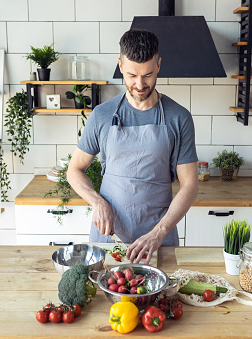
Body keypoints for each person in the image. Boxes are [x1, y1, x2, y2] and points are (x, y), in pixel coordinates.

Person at [67, 29, 198, 264]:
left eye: (147, 75)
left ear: (159, 65)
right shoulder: (102, 115)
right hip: (108, 240)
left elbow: (190, 185)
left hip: (158, 240)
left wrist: (158, 233)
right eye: (131, 75)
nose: (139, 84)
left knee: (161, 300)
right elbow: (74, 170)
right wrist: (97, 202)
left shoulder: (179, 118)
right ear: (120, 66)